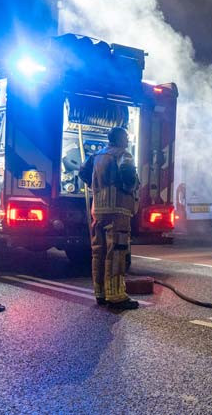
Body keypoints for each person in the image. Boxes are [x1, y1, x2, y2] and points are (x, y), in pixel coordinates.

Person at [79, 127, 140, 310]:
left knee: (99, 251)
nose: (128, 140)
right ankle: (116, 296)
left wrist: (95, 186)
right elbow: (129, 178)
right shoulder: (124, 155)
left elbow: (83, 172)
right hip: (118, 211)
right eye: (126, 137)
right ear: (120, 139)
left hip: (98, 210)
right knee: (116, 252)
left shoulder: (96, 155)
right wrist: (132, 187)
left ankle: (100, 293)